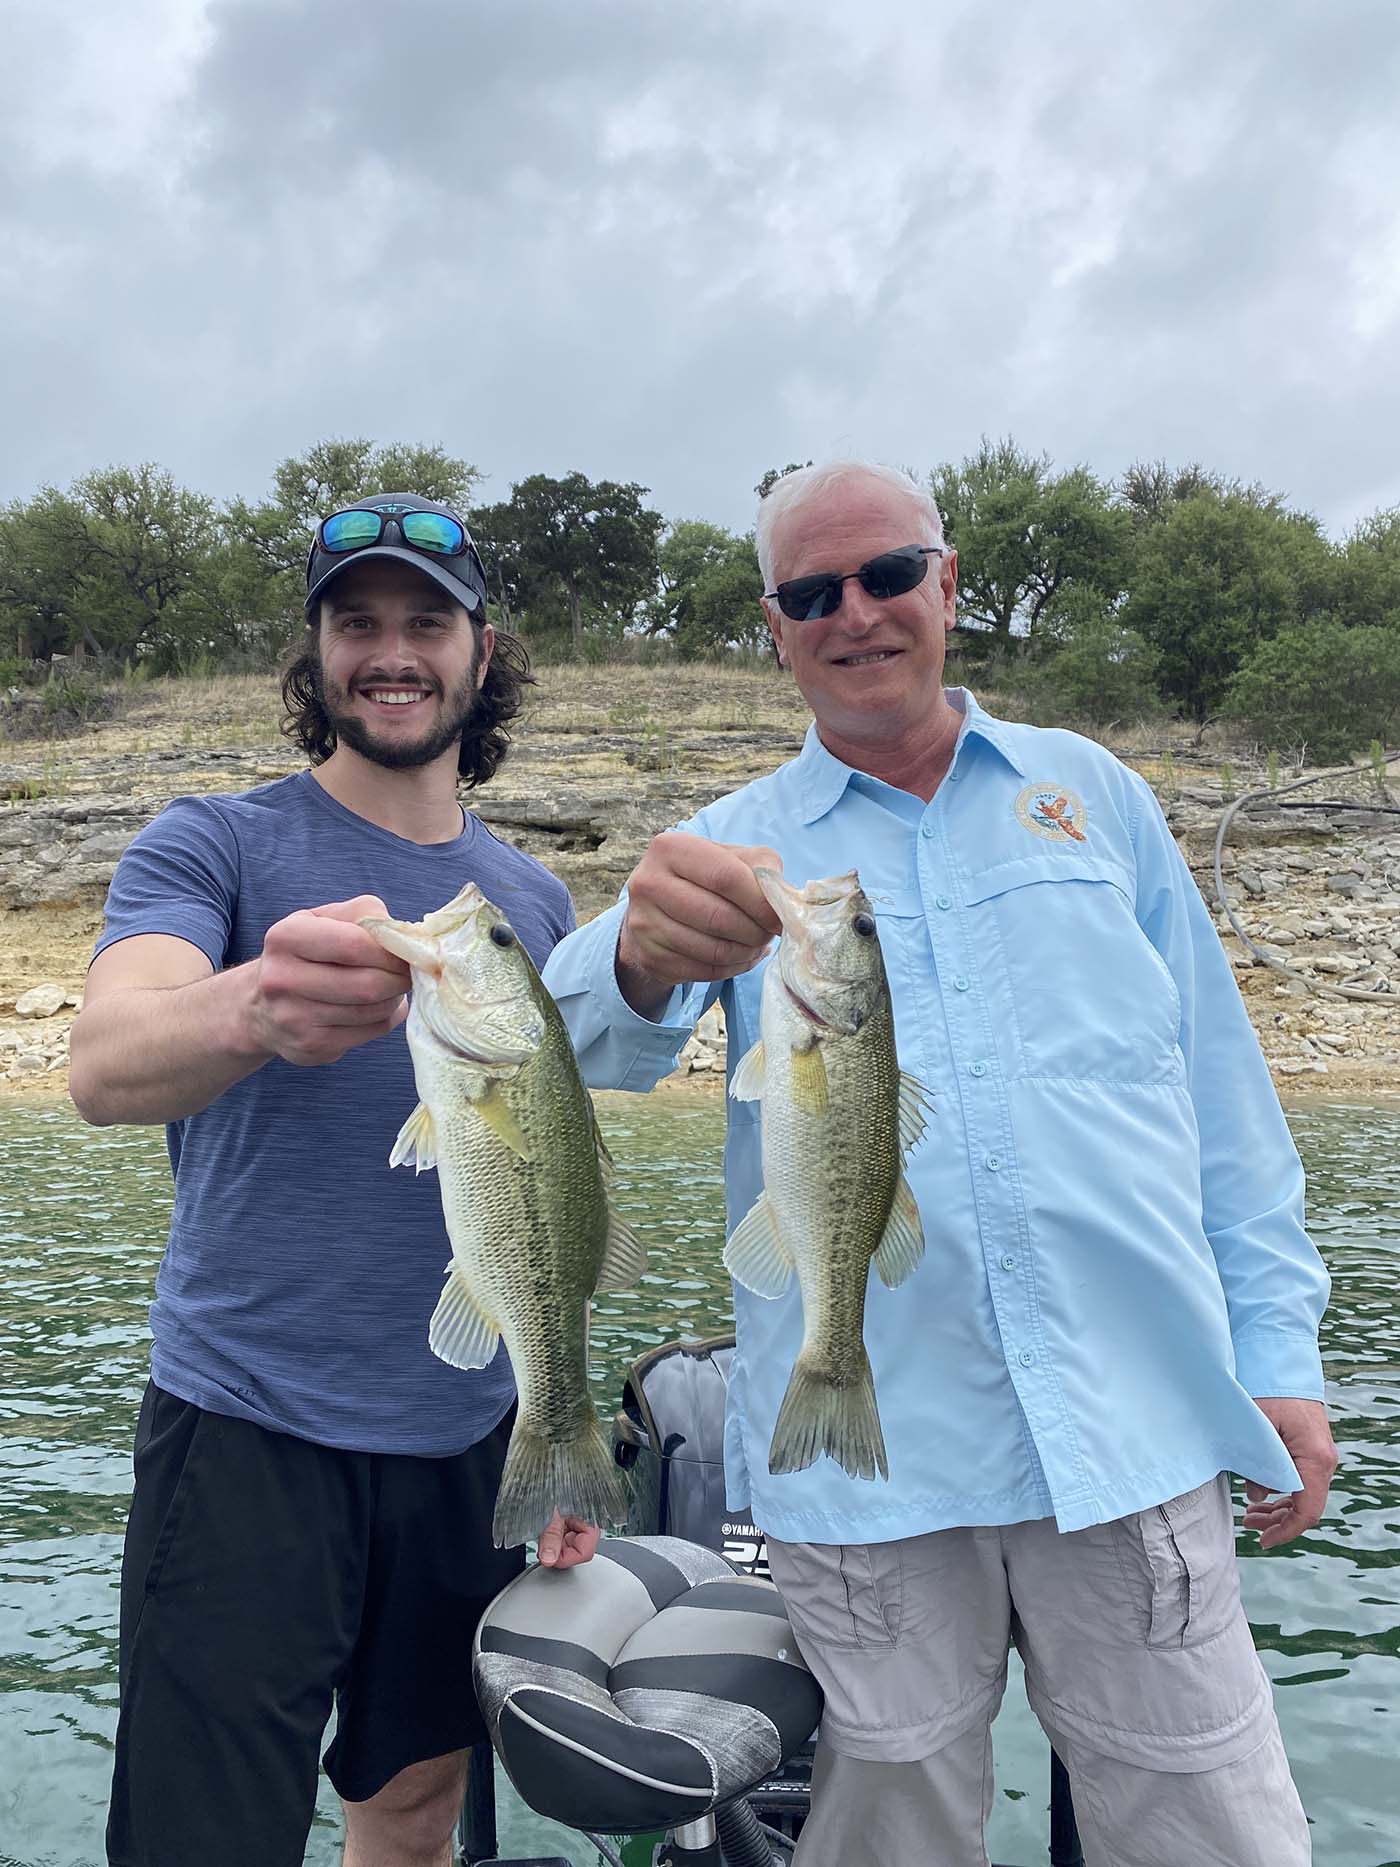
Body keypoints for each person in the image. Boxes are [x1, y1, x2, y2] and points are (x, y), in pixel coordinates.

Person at [543, 461, 1335, 1866]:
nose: (855, 614)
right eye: (810, 593)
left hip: (1133, 1426)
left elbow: (1221, 1101)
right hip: (871, 1466)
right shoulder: (726, 849)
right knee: (890, 1823)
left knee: (1214, 1821)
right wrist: (635, 951)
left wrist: (1280, 1351)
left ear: (949, 586)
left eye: (889, 575)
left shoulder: (1098, 798)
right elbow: (571, 1047)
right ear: (774, 627)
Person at [70, 493, 599, 1867]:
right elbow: (106, 1064)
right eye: (355, 623)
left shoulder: (530, 905)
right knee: (204, 1835)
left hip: (470, 1438)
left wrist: (564, 1436)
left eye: (427, 622)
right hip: (247, 1430)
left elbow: (553, 1181)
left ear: (483, 652)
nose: (392, 651)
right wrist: (254, 1006)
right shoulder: (213, 844)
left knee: (416, 1810)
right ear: (315, 659)